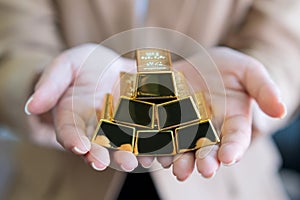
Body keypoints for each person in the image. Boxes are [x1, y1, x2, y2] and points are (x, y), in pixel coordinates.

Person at [0, 0, 299, 199]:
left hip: (228, 183)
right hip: (60, 181)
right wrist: (45, 83)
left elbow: (285, 37)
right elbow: (16, 39)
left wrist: (259, 81)